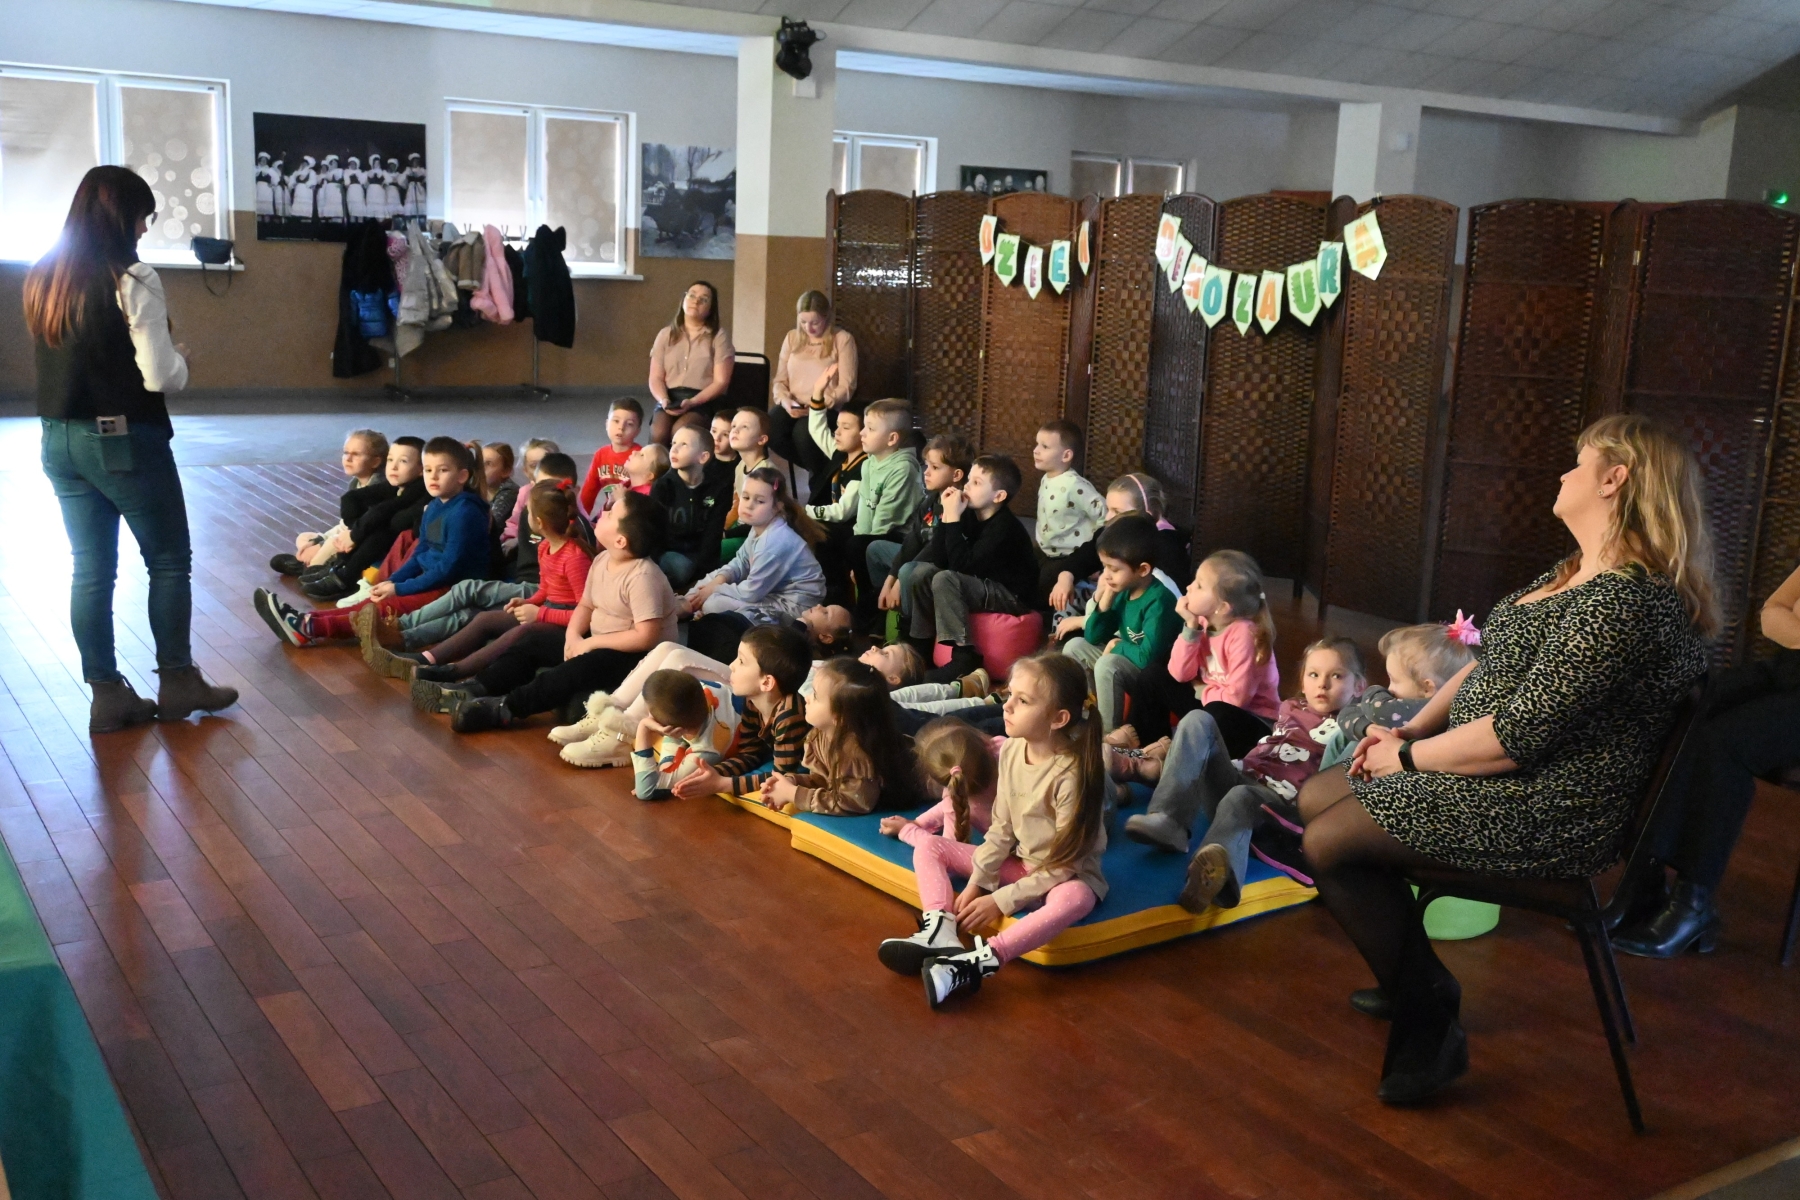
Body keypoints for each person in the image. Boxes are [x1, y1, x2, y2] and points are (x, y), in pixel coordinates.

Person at [1300, 413, 1713, 1107]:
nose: (1564, 473)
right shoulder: (1575, 572)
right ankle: (1411, 972)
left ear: (1614, 479)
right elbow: (1487, 663)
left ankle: (1429, 1008)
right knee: (1317, 796)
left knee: (1330, 839)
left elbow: (1515, 738)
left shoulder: (1626, 601)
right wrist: (1410, 727)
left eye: (1579, 462)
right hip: (1509, 774)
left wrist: (1409, 758)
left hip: (1549, 805)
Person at [26, 164, 237, 731]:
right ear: (122, 216)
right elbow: (158, 375)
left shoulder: (44, 276)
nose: (145, 228)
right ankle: (178, 680)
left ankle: (107, 693)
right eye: (144, 216)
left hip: (57, 440)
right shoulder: (134, 277)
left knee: (91, 569)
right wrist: (183, 361)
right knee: (168, 559)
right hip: (121, 438)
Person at [877, 653, 1108, 1008]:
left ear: (1059, 718)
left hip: (1065, 875)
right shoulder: (1013, 750)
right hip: (1021, 864)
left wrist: (1001, 900)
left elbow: (1066, 864)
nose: (1007, 705)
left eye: (1023, 700)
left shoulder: (1072, 776)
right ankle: (940, 930)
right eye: (1010, 694)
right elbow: (1001, 828)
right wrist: (978, 882)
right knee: (930, 847)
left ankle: (974, 965)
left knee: (1077, 897)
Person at [1614, 560, 1800, 958]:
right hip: (1788, 671)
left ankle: (1692, 903)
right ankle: (1645, 878)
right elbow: (1773, 611)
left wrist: (1792, 627)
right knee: (1689, 705)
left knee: (1727, 743)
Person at [1130, 639, 1365, 919]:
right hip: (1242, 776)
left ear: (1359, 686)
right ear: (1303, 681)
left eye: (1336, 676)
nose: (1322, 684)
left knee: (1241, 796)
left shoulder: (1351, 728)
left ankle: (1218, 876)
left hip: (1275, 804)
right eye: (1313, 674)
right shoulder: (1290, 706)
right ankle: (1169, 819)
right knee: (1197, 719)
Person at [436, 490, 678, 732]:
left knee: (575, 671)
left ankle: (504, 708)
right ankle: (479, 686)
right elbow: (586, 605)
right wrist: (573, 636)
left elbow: (645, 637)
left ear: (621, 541)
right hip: (599, 643)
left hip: (635, 659)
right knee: (532, 643)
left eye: (611, 514)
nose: (603, 513)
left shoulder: (642, 576)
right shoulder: (603, 559)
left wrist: (590, 644)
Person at [256, 438, 490, 645]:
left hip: (454, 588)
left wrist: (399, 588)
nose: (433, 477)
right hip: (435, 580)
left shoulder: (465, 512)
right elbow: (421, 552)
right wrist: (392, 581)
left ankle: (309, 628)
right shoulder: (435, 506)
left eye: (443, 470)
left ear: (462, 476)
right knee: (370, 605)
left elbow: (449, 568)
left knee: (383, 611)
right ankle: (304, 620)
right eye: (428, 470)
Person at [407, 483, 594, 686]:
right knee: (485, 619)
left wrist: (540, 614)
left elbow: (584, 614)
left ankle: (454, 672)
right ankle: (427, 658)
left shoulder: (574, 558)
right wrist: (527, 602)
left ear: (538, 522)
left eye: (528, 511)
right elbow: (545, 589)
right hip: (549, 612)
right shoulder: (545, 547)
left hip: (569, 626)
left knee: (522, 632)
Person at [1111, 549, 1279, 761]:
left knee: (1216, 712)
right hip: (1211, 704)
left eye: (1199, 586)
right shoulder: (1202, 621)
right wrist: (1191, 627)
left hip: (1248, 722)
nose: (1189, 587)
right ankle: (1146, 753)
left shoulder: (1244, 634)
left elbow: (1237, 699)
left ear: (1222, 607)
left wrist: (1203, 691)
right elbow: (1179, 674)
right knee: (1153, 675)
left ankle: (1173, 760)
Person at [904, 455, 1037, 683]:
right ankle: (920, 649)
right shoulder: (968, 513)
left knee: (945, 579)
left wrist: (953, 519)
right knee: (922, 574)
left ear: (999, 496)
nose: (966, 486)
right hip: (979, 583)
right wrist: (948, 516)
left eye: (976, 483)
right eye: (968, 480)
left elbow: (961, 568)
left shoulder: (1004, 527)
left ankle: (964, 655)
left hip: (1011, 595)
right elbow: (939, 559)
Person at [682, 467, 827, 662]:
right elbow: (739, 564)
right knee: (710, 582)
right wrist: (714, 583)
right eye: (746, 497)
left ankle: (689, 610)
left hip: (792, 607)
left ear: (777, 507)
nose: (749, 505)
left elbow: (752, 593)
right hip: (768, 593)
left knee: (714, 602)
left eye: (759, 501)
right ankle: (686, 605)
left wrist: (714, 590)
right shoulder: (759, 526)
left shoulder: (775, 541)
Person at [1059, 516, 1183, 733]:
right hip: (1129, 661)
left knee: (1108, 665)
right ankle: (1087, 714)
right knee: (1074, 647)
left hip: (1154, 677)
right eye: (1104, 567)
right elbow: (1093, 636)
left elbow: (1147, 658)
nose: (1105, 576)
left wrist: (1117, 646)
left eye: (1113, 569)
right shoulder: (1124, 589)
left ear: (1142, 569)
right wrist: (1106, 599)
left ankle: (1109, 735)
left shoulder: (1159, 601)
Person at [670, 624, 814, 800]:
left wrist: (724, 784)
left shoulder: (789, 715)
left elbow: (782, 779)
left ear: (766, 682)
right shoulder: (753, 701)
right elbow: (750, 754)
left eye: (741, 661)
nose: (732, 666)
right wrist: (713, 773)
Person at [761, 657, 919, 815]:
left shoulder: (856, 753)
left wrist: (793, 794)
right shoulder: (819, 735)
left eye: (815, 695)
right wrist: (791, 782)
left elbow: (854, 802)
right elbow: (826, 781)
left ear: (840, 717)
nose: (807, 698)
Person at [1319, 618, 1482, 770]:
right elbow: (1348, 712)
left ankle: (1327, 786)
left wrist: (1373, 689)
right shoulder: (1400, 705)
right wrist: (1368, 728)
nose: (1388, 689)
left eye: (1394, 680)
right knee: (1343, 735)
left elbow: (1377, 709)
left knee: (1356, 742)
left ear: (1427, 688)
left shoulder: (1414, 711)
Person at [551, 640, 736, 768]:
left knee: (680, 659)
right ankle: (607, 712)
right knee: (666, 647)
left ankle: (620, 736)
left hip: (746, 693)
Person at [294, 437, 428, 601]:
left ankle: (345, 577)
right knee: (368, 519)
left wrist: (355, 535)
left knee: (381, 530)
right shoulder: (395, 485)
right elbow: (351, 498)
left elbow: (394, 519)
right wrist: (354, 532)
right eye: (390, 460)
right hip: (372, 542)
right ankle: (339, 566)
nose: (393, 466)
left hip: (407, 548)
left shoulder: (421, 490)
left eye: (403, 461)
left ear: (422, 469)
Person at [1046, 472, 1189, 622]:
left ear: (1144, 515)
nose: (1108, 517)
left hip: (1141, 612)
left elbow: (1169, 598)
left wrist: (1083, 621)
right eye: (1108, 509)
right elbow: (1084, 557)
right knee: (1070, 594)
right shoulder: (1113, 529)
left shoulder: (1167, 546)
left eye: (1117, 511)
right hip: (1110, 595)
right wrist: (1066, 577)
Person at [872, 432, 974, 632]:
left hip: (940, 565)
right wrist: (889, 581)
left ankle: (909, 628)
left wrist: (899, 580)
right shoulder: (930, 501)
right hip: (918, 560)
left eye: (935, 467)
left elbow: (934, 550)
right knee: (876, 549)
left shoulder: (960, 505)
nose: (926, 472)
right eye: (926, 465)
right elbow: (913, 541)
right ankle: (885, 611)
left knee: (908, 571)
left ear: (956, 475)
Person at [846, 399, 925, 622]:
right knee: (845, 540)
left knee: (857, 546)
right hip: (876, 532)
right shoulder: (869, 462)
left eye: (870, 429)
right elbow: (864, 510)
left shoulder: (904, 468)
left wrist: (860, 552)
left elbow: (887, 520)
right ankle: (851, 603)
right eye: (864, 426)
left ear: (892, 439)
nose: (862, 433)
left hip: (900, 535)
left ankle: (870, 610)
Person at [272, 428, 389, 574]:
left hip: (359, 539)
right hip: (346, 533)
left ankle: (311, 568)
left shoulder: (378, 489)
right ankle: (313, 562)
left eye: (356, 454)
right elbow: (344, 524)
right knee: (304, 537)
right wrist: (319, 540)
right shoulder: (355, 484)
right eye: (346, 453)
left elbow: (355, 529)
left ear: (375, 461)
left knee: (331, 545)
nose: (348, 459)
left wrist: (322, 545)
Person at [768, 291, 858, 477]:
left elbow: (847, 387)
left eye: (814, 322)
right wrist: (785, 401)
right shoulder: (792, 338)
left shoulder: (842, 339)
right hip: (795, 405)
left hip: (826, 407)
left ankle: (819, 478)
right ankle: (825, 473)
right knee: (770, 426)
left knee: (804, 433)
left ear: (826, 317)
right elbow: (780, 380)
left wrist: (818, 405)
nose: (808, 327)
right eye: (803, 322)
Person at [880, 718, 1000, 847]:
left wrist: (906, 830)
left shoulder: (954, 799)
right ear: (983, 741)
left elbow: (946, 848)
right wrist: (919, 822)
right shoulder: (1004, 748)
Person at [628, 670, 739, 799]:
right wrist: (666, 765)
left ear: (673, 729)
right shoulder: (700, 689)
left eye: (649, 714)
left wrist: (643, 727)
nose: (648, 717)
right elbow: (676, 738)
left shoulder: (708, 750)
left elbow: (646, 790)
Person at [649, 281, 735, 445]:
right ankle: (656, 463)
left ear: (711, 308)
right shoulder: (665, 334)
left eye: (703, 299)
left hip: (703, 399)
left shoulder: (718, 336)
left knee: (681, 432)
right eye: (692, 296)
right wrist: (663, 400)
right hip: (670, 398)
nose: (696, 301)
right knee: (659, 432)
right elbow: (655, 378)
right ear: (683, 300)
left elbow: (721, 382)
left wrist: (693, 402)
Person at [1032, 420, 1106, 609]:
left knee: (1046, 586)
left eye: (1045, 447)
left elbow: (1105, 515)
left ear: (1066, 455)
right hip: (1048, 551)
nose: (1036, 450)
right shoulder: (1047, 478)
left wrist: (1098, 560)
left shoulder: (1075, 485)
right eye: (1037, 444)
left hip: (1070, 554)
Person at [652, 419, 732, 592]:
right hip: (669, 554)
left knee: (726, 568)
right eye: (673, 443)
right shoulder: (663, 486)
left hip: (699, 554)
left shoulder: (718, 488)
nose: (674, 449)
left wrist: (704, 573)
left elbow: (713, 533)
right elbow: (654, 531)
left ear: (703, 457)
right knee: (680, 568)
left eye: (684, 445)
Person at [578, 398, 644, 519]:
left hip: (633, 514)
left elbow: (646, 495)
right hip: (610, 509)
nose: (621, 428)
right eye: (616, 421)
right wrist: (580, 520)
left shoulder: (640, 456)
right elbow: (588, 492)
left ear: (637, 431)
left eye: (629, 424)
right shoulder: (601, 454)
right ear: (606, 424)